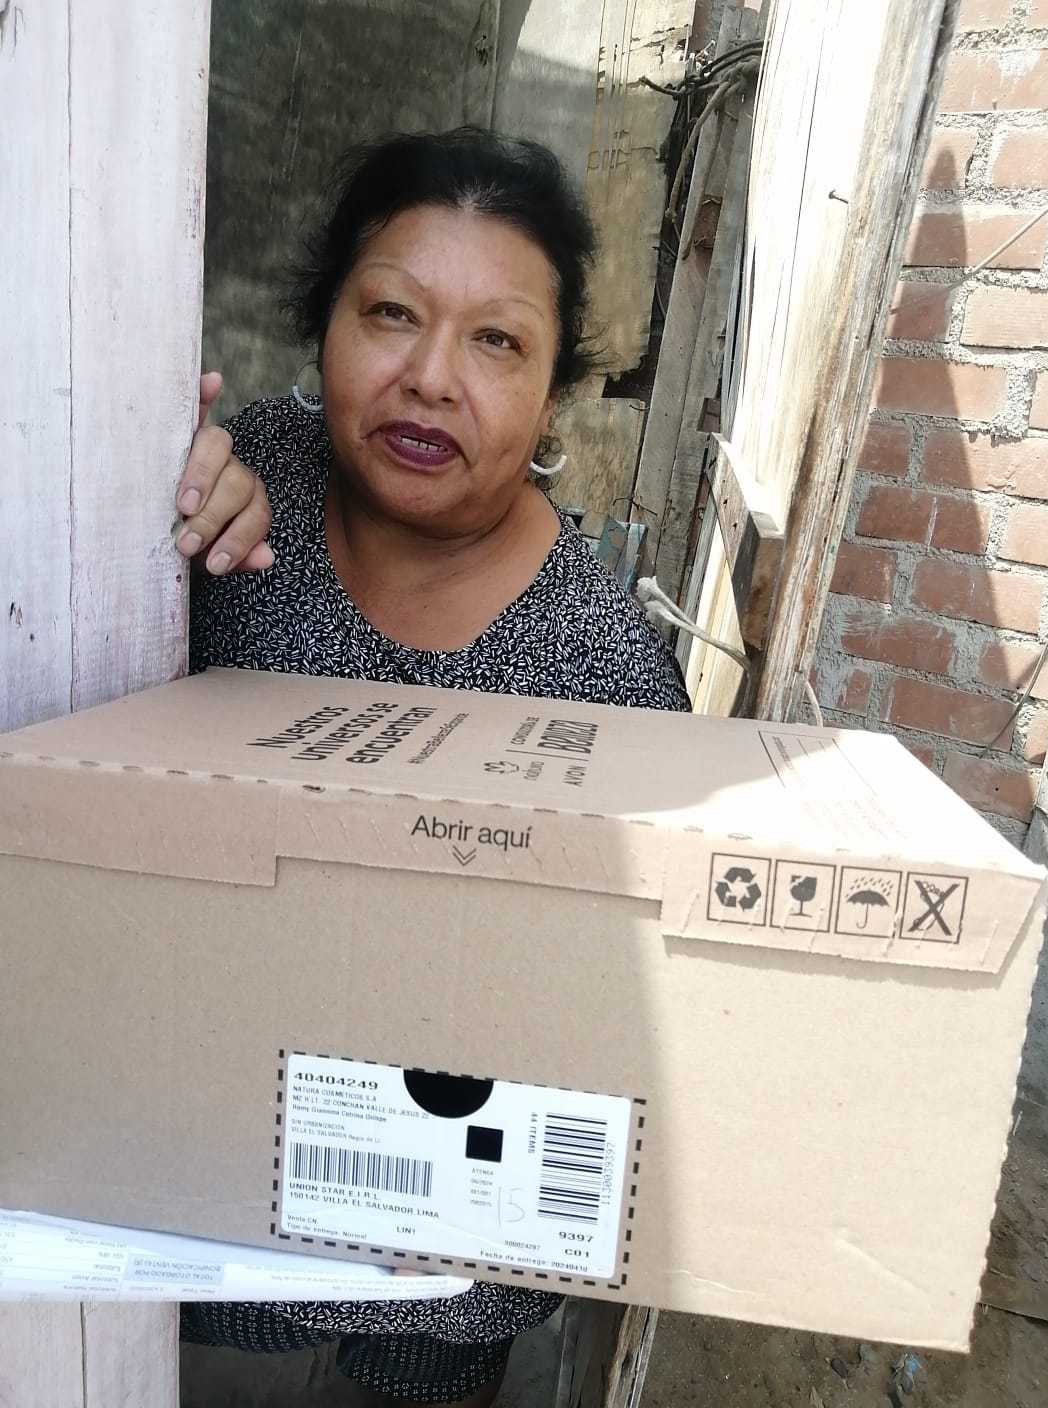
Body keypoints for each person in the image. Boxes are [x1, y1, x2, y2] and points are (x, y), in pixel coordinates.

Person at [177, 127, 690, 1408]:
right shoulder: (241, 491)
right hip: (188, 1216)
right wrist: (155, 509)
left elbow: (635, 1026)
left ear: (555, 396)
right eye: (392, 314)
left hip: (437, 1276)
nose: (429, 379)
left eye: (496, 341)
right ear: (324, 325)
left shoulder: (605, 678)